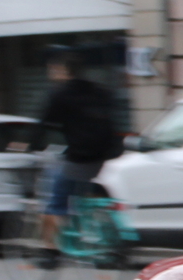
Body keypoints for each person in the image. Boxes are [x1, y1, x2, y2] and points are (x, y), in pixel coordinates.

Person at [35, 52, 122, 257]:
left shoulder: (60, 94)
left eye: (53, 70)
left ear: (62, 70)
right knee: (80, 185)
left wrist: (30, 143)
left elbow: (44, 124)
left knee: (54, 199)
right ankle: (93, 220)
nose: (51, 74)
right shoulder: (98, 91)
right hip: (103, 156)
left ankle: (49, 251)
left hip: (78, 158)